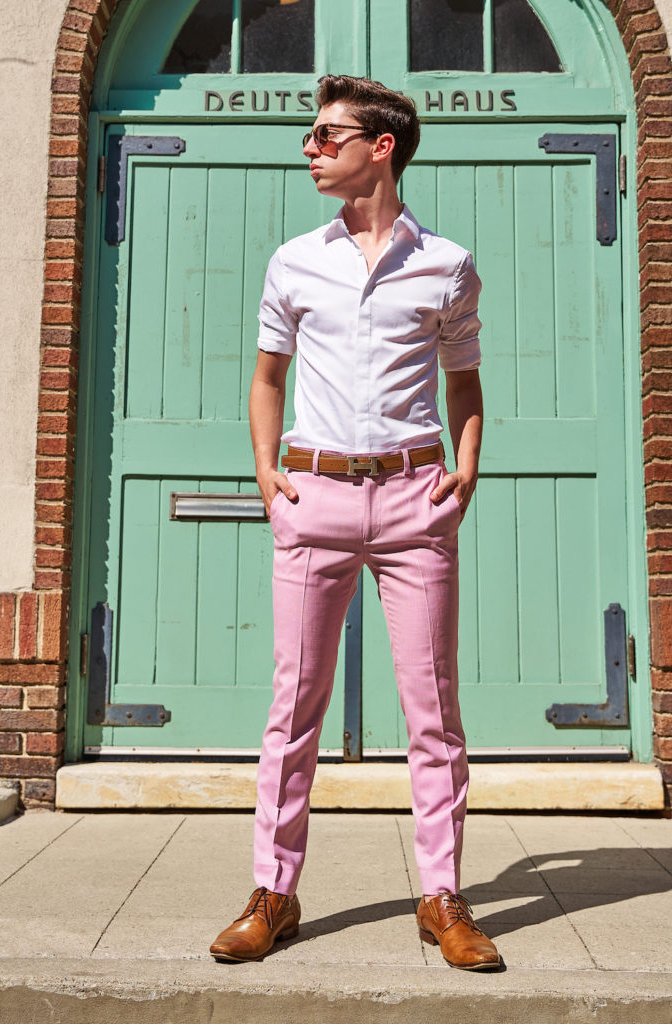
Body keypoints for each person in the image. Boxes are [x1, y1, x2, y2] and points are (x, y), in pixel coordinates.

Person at [209, 74, 499, 971]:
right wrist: (266, 473)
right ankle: (273, 893)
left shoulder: (444, 263)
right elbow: (266, 376)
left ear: (381, 147)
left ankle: (442, 895)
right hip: (315, 498)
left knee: (433, 713)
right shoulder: (294, 261)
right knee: (293, 709)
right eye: (309, 135)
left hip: (415, 501)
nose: (309, 147)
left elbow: (462, 379)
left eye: (326, 135)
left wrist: (467, 466)